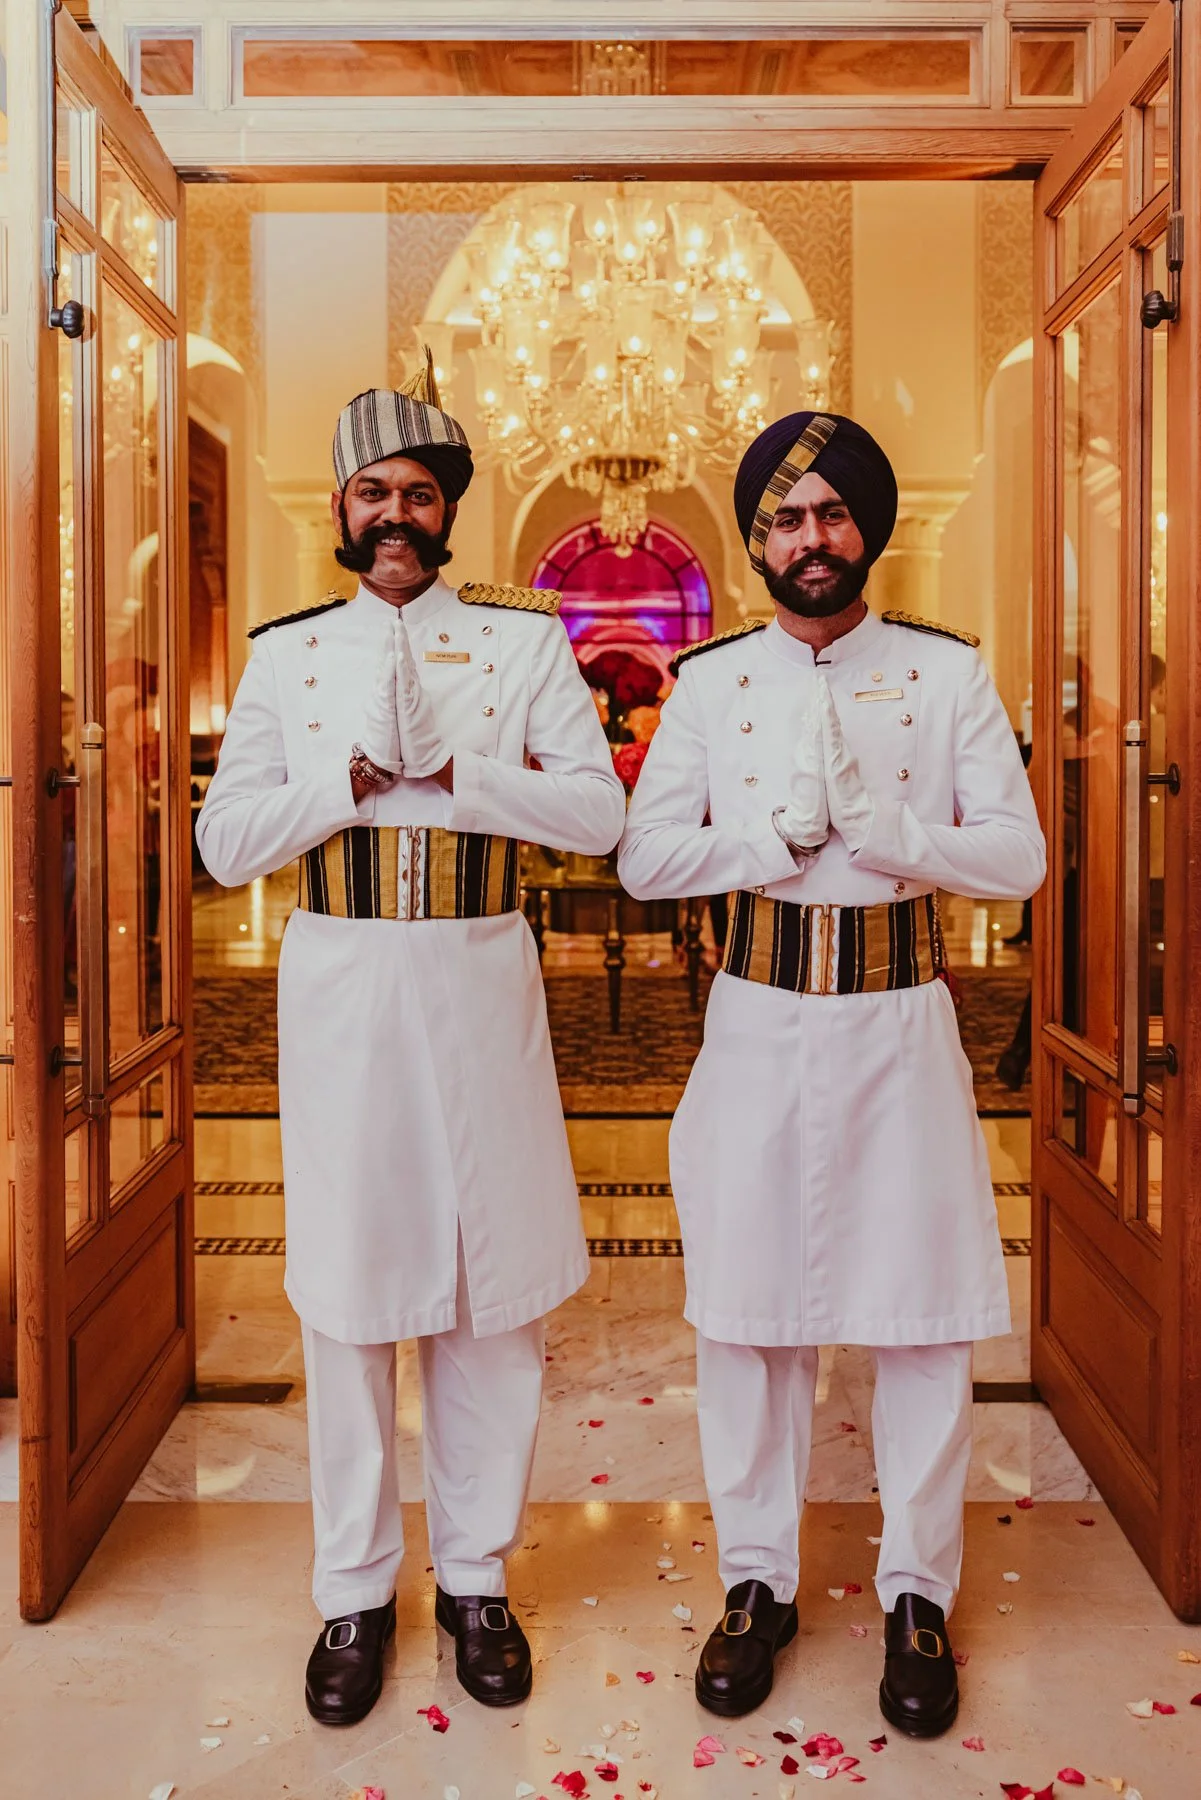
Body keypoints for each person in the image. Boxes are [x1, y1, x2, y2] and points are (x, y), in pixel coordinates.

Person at [196, 357, 625, 1727]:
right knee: (349, 1300)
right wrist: (348, 782)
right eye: (375, 492)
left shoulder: (523, 643)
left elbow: (603, 820)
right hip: (342, 995)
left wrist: (461, 779)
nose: (396, 515)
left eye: (420, 496)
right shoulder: (285, 654)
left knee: (491, 1300)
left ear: (450, 513)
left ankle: (479, 1581)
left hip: (481, 981)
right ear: (341, 503)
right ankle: (353, 1594)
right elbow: (222, 847)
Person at [618, 410, 1046, 1735]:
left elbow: (1019, 858)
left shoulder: (945, 675)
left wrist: (892, 830)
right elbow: (644, 860)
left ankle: (917, 1593)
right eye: (784, 518)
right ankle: (757, 1584)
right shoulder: (707, 683)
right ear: (757, 540)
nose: (811, 539)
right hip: (754, 1023)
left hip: (899, 1025)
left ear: (869, 527)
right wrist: (765, 834)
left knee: (920, 1326)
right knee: (747, 1321)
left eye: (831, 514)